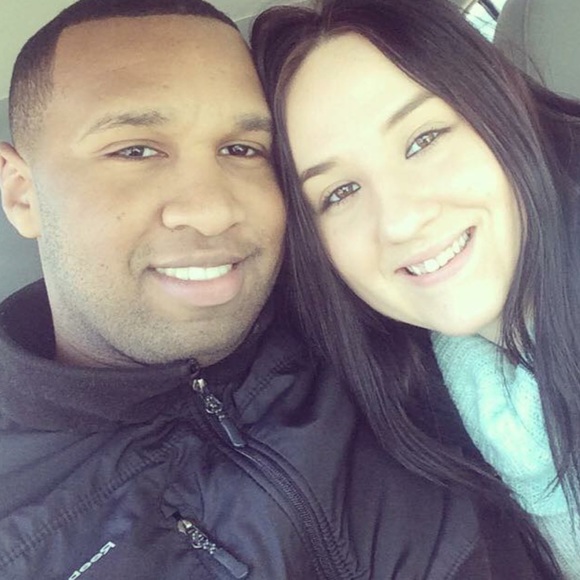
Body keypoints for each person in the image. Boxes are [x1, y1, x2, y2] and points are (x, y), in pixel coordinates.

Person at [0, 0, 558, 577]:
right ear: (21, 194)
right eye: (135, 150)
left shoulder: (372, 312)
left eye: (241, 150)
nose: (213, 211)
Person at [251, 0, 580, 576]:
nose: (399, 221)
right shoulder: (406, 420)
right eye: (339, 193)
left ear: (500, 109)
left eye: (423, 140)